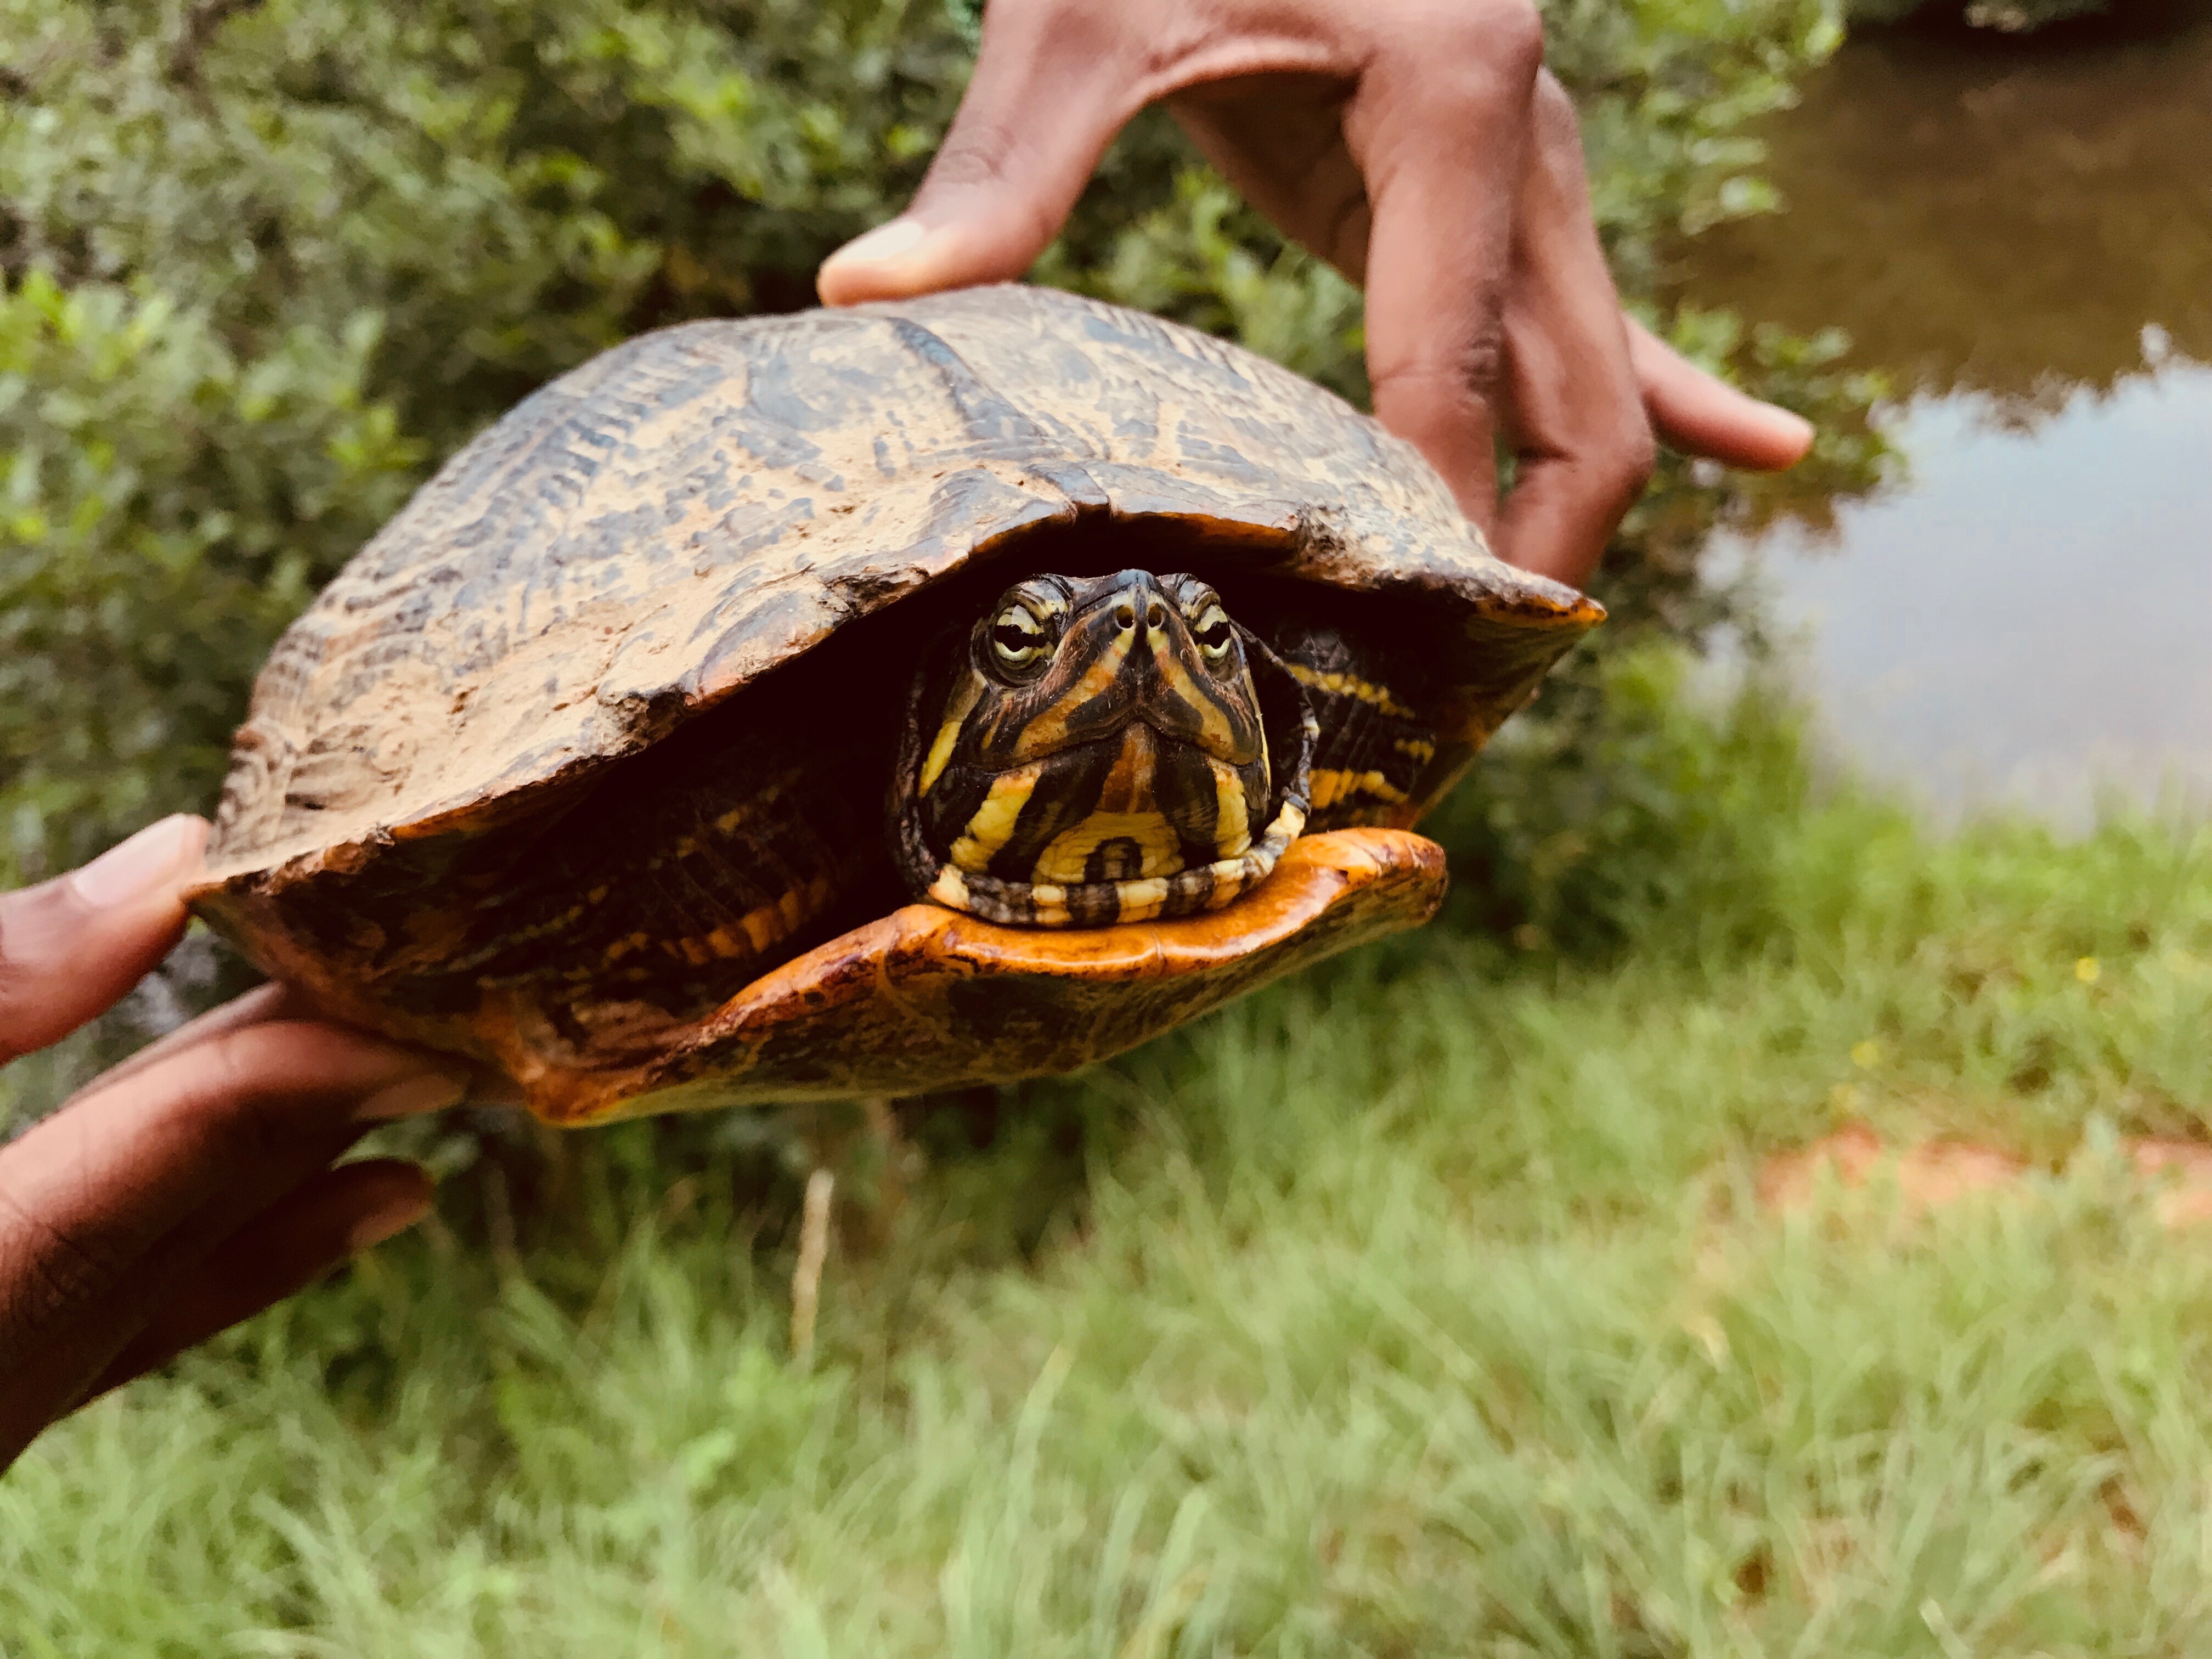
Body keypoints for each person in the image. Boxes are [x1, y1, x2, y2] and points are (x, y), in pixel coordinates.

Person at [0, 0, 1812, 1470]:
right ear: (939, 708)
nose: (1136, 645)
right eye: (1028, 645)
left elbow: (1397, 632)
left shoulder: (1275, 687)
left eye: (1208, 645)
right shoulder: (793, 751)